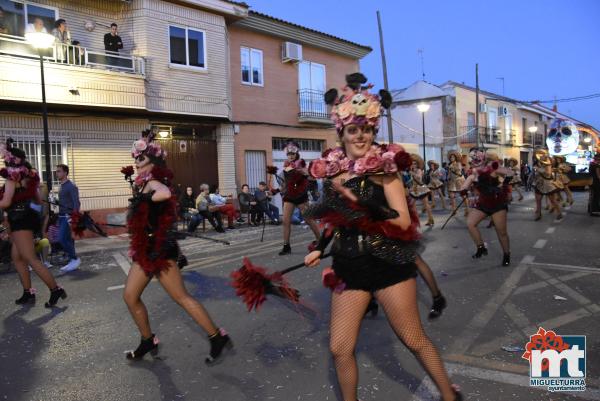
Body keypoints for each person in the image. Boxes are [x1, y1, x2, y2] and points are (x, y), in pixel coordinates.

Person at [303, 73, 461, 401]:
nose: (360, 136)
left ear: (373, 130)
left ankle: (449, 395)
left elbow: (403, 220)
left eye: (365, 129)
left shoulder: (385, 170)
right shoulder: (335, 173)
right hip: (349, 266)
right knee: (339, 348)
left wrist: (359, 202)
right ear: (342, 133)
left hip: (388, 264)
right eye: (352, 130)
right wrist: (321, 247)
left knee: (413, 339)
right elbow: (334, 219)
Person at [123, 130, 232, 362]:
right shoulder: (142, 184)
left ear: (153, 162)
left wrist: (146, 198)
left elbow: (164, 194)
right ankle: (147, 340)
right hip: (145, 249)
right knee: (130, 296)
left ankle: (216, 336)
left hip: (160, 249)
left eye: (141, 158)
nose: (137, 162)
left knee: (181, 297)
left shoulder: (154, 182)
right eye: (136, 158)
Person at [0, 138, 66, 307]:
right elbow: (37, 200)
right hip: (28, 218)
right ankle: (28, 292)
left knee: (30, 257)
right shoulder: (30, 175)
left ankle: (55, 289)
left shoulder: (11, 178)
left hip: (18, 219)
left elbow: (6, 202)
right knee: (17, 256)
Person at [460, 149, 513, 266]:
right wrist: (464, 189)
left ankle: (506, 254)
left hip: (497, 203)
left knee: (501, 232)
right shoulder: (476, 171)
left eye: (489, 157)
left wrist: (504, 182)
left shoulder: (495, 167)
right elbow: (468, 182)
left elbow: (510, 173)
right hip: (483, 203)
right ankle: (481, 247)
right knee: (470, 223)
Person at [275, 142, 320, 255]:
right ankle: (286, 246)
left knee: (309, 220)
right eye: (289, 154)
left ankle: (320, 241)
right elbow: (285, 184)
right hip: (289, 196)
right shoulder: (286, 166)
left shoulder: (301, 163)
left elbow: (311, 177)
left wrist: (302, 171)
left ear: (296, 154)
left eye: (292, 154)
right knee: (285, 221)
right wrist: (274, 191)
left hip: (301, 196)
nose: (290, 156)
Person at [56, 164, 81, 272]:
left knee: (61, 239)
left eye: (59, 171)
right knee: (67, 239)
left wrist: (73, 217)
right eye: (56, 171)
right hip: (61, 216)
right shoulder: (62, 186)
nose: (57, 173)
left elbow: (76, 203)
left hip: (67, 216)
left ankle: (74, 258)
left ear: (65, 172)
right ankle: (72, 260)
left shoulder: (71, 186)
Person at [532, 149, 563, 221]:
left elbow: (548, 173)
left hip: (547, 184)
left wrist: (538, 169)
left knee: (552, 200)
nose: (540, 156)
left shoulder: (548, 163)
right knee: (538, 199)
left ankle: (558, 213)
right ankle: (538, 214)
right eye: (539, 155)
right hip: (539, 183)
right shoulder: (538, 162)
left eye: (542, 155)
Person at [409, 154, 434, 226]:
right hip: (415, 189)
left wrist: (412, 173)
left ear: (418, 164)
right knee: (412, 204)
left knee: (425, 204)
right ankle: (429, 219)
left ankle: (430, 219)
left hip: (420, 189)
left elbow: (419, 177)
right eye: (412, 163)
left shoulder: (419, 170)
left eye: (415, 163)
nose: (413, 165)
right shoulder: (413, 170)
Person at [589, 151, 600, 215]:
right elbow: (598, 176)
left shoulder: (591, 164)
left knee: (592, 196)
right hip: (596, 182)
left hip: (591, 181)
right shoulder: (597, 165)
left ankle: (591, 210)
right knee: (596, 196)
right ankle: (595, 211)